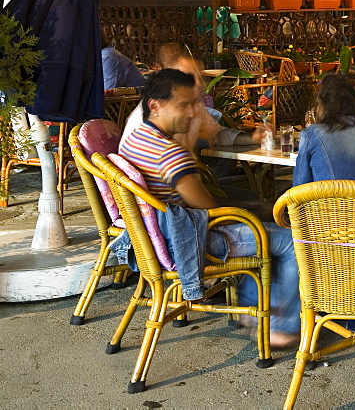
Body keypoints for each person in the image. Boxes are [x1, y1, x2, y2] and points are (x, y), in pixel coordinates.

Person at [118, 69, 300, 349]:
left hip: (157, 236)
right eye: (184, 105)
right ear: (155, 105)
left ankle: (255, 309)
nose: (193, 113)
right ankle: (278, 324)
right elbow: (206, 207)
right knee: (291, 241)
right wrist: (246, 212)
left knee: (260, 215)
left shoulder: (137, 138)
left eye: (194, 103)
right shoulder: (169, 152)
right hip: (192, 240)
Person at [123, 44, 258, 152]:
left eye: (200, 76)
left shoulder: (191, 107)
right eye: (187, 77)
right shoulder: (156, 115)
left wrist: (255, 138)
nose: (199, 83)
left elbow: (216, 134)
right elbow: (171, 165)